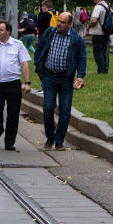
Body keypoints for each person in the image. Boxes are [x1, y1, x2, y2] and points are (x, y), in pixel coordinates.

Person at [33, 11, 86, 151]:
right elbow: (39, 49)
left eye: (62, 22)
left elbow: (82, 58)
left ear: (70, 24)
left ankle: (59, 140)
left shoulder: (76, 38)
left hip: (66, 78)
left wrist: (80, 76)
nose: (59, 24)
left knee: (65, 109)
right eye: (58, 21)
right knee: (48, 107)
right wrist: (39, 68)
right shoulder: (50, 33)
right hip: (49, 76)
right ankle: (50, 137)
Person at [0, 20, 33, 151]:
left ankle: (9, 140)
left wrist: (27, 83)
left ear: (8, 31)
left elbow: (25, 64)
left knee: (13, 113)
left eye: (0, 30)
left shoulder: (18, 45)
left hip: (12, 83)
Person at [88, 0, 112, 75]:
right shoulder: (108, 7)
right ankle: (104, 68)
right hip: (106, 32)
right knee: (103, 51)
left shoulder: (98, 7)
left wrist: (88, 26)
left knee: (98, 52)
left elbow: (94, 20)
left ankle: (102, 70)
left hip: (98, 32)